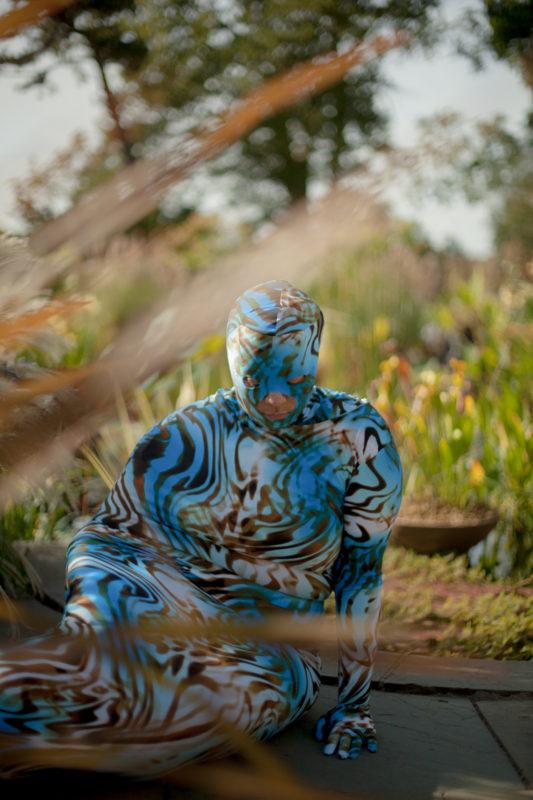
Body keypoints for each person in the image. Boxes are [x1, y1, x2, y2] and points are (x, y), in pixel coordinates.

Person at [0, 279, 403, 779]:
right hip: (158, 591)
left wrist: (354, 705)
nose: (276, 398)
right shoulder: (186, 435)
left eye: (294, 378)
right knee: (95, 662)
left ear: (316, 355)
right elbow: (112, 537)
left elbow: (360, 576)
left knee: (194, 716)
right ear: (232, 359)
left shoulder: (359, 440)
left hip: (271, 641)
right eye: (256, 379)